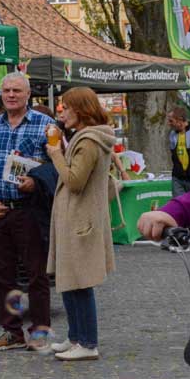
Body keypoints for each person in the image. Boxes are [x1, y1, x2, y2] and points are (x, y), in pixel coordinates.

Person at [0, 72, 54, 352]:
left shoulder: (45, 124)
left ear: (28, 94)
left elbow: (58, 165)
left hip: (29, 209)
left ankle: (40, 331)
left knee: (36, 274)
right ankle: (12, 332)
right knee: (2, 275)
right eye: (6, 90)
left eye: (16, 90)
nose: (10, 95)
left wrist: (35, 181)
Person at [43, 86, 117, 362]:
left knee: (80, 282)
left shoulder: (88, 142)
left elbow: (74, 181)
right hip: (75, 217)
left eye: (67, 107)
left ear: (81, 110)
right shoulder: (85, 137)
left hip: (79, 219)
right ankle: (75, 337)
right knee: (69, 279)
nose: (62, 113)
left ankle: (87, 343)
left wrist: (55, 154)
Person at [168, 107, 190, 198]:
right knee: (178, 204)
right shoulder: (172, 134)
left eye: (171, 121)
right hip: (178, 179)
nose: (169, 123)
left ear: (180, 120)